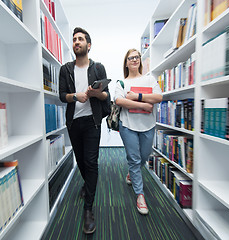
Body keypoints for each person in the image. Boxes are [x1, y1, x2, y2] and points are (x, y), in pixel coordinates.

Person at [59, 27, 110, 234]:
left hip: (92, 121)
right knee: (80, 161)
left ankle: (88, 209)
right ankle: (88, 185)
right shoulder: (65, 69)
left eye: (80, 39)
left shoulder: (98, 68)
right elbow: (62, 95)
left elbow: (106, 96)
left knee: (91, 162)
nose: (76, 42)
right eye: (74, 40)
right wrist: (75, 96)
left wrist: (96, 94)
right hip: (73, 122)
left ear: (88, 45)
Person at [115, 48, 163, 215]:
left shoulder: (150, 79)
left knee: (144, 156)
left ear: (140, 61)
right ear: (126, 63)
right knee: (134, 160)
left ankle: (131, 175)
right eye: (130, 58)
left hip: (147, 126)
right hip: (127, 126)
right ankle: (140, 195)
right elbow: (119, 100)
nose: (134, 60)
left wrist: (136, 97)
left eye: (137, 57)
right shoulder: (121, 83)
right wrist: (144, 105)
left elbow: (158, 97)